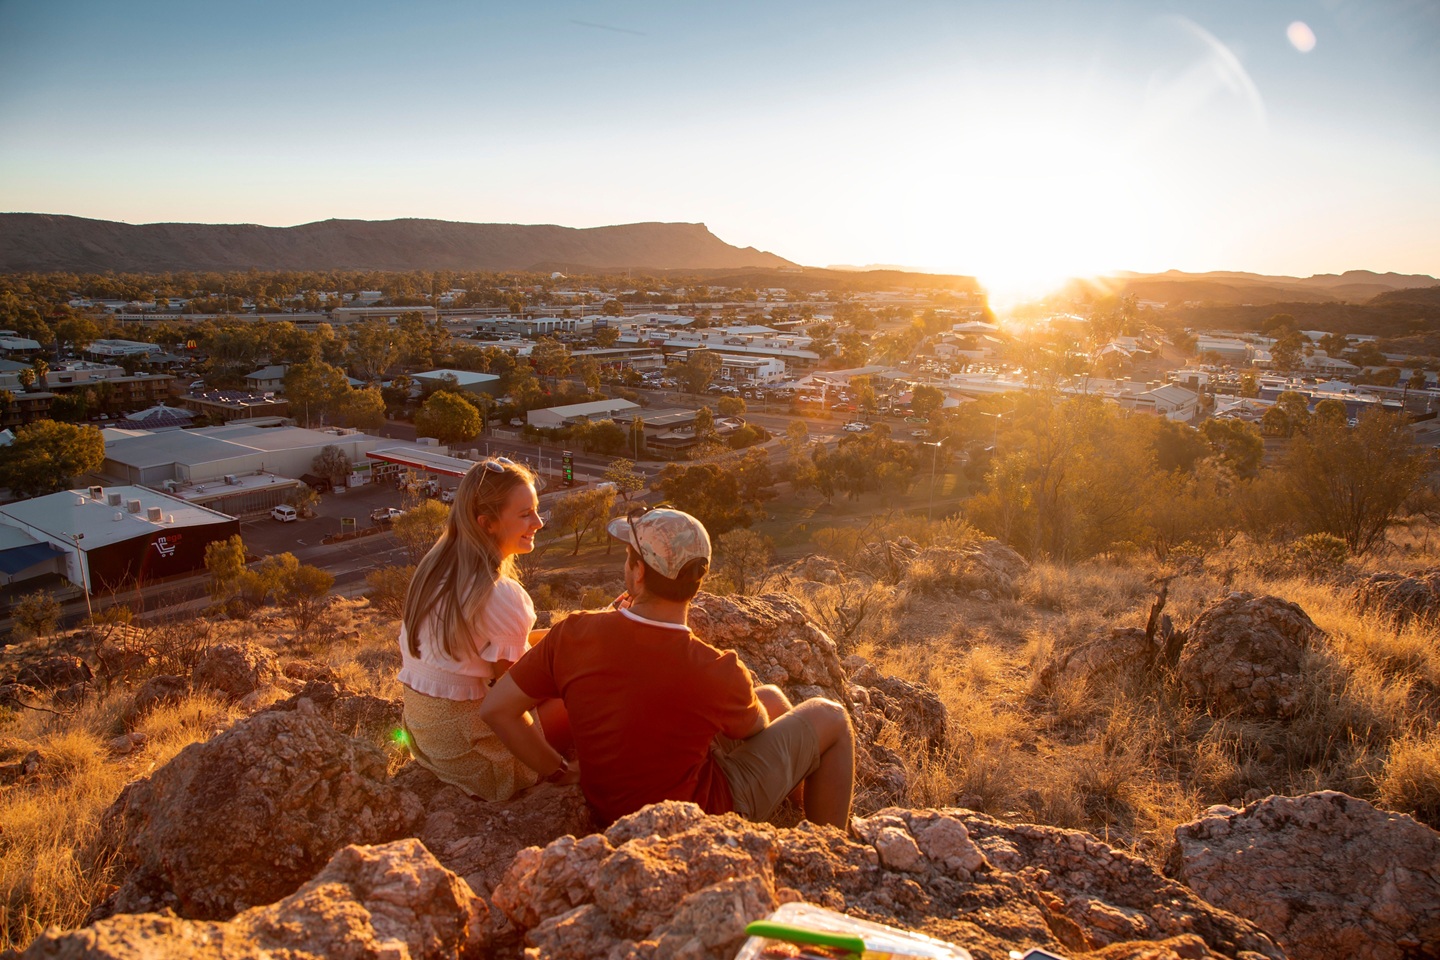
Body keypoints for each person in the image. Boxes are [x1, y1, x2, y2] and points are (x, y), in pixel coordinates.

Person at [481, 506, 855, 828]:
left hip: (609, 808)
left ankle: (796, 809)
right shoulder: (715, 669)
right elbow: (754, 728)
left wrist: (558, 770)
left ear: (638, 572)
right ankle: (829, 846)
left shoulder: (574, 633)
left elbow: (497, 709)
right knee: (830, 716)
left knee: (771, 697)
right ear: (696, 582)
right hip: (699, 819)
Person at [396, 457, 569, 800]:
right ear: (487, 523)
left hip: (430, 739)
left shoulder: (437, 568)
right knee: (589, 687)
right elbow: (511, 703)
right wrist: (560, 771)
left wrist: (582, 628)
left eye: (536, 511)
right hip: (474, 753)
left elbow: (495, 652)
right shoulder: (499, 594)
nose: (538, 522)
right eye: (524, 515)